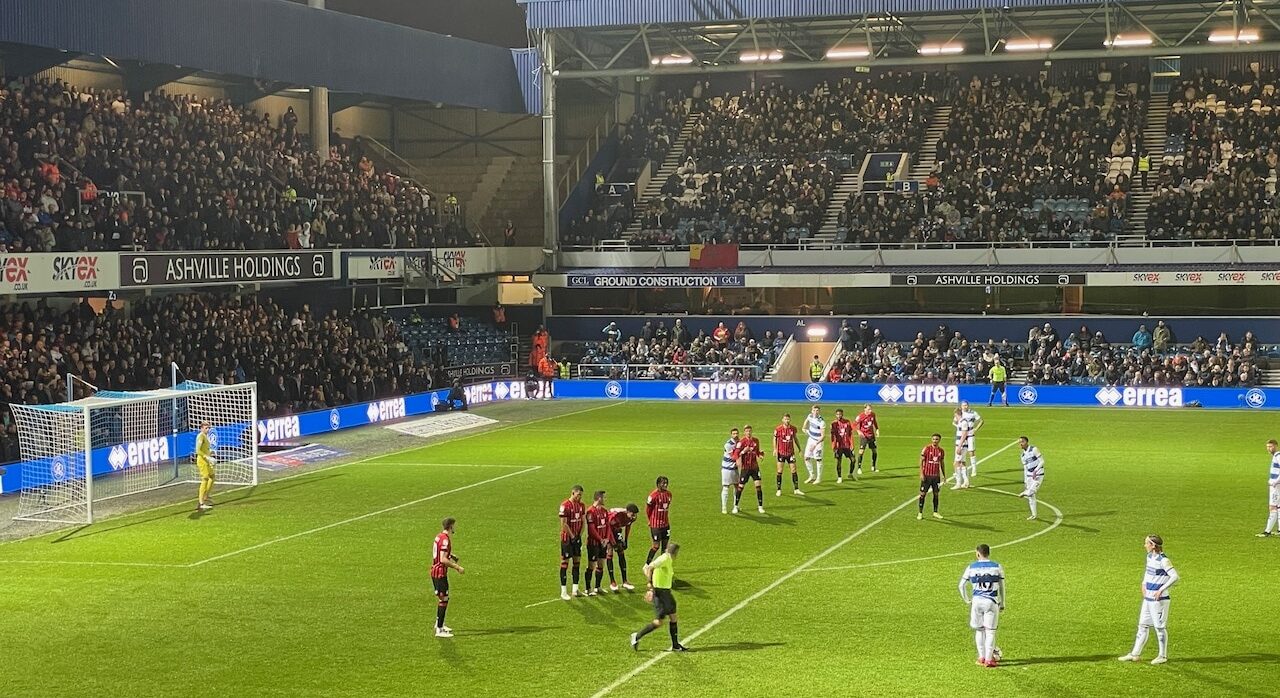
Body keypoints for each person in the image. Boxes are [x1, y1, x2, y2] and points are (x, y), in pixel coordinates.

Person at [1119, 535, 1180, 665]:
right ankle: (1135, 654)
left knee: (1159, 627)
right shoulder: (1149, 557)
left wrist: (1161, 590)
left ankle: (1162, 656)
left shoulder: (1163, 560)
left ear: (1153, 545)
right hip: (1148, 598)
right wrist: (1143, 583)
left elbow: (1175, 576)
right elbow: (1148, 572)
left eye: (1147, 543)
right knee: (1143, 625)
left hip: (1159, 600)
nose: (1144, 545)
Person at [630, 541, 686, 652]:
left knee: (673, 616)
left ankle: (675, 645)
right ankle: (636, 636)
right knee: (658, 622)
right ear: (675, 553)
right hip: (660, 593)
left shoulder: (668, 559)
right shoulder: (664, 559)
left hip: (666, 592)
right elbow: (649, 567)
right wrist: (650, 587)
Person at [959, 543, 1006, 667]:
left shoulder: (971, 567)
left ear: (978, 553)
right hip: (991, 602)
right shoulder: (997, 566)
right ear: (988, 553)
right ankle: (989, 660)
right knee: (990, 631)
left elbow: (961, 585)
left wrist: (967, 600)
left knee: (979, 630)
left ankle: (981, 657)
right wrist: (1002, 603)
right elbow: (1002, 586)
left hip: (977, 602)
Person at [431, 517, 464, 638]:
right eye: (454, 525)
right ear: (450, 526)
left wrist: (452, 555)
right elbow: (443, 559)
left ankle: (439, 623)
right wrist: (457, 567)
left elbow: (440, 552)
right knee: (443, 599)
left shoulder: (439, 536)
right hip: (439, 573)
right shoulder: (446, 540)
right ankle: (439, 630)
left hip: (436, 571)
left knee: (443, 598)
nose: (455, 528)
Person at [558, 485, 586, 600]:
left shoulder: (581, 505)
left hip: (577, 538)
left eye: (581, 495)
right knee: (565, 563)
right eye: (578, 495)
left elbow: (583, 522)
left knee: (577, 562)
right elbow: (563, 524)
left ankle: (575, 589)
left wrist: (579, 536)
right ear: (573, 493)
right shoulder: (565, 505)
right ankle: (563, 591)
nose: (580, 497)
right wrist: (572, 536)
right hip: (567, 539)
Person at [606, 503, 641, 592]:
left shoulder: (632, 518)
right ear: (627, 512)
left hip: (617, 529)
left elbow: (628, 526)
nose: (634, 516)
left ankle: (625, 581)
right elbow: (608, 528)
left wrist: (626, 540)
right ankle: (612, 582)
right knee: (610, 552)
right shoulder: (616, 516)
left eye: (635, 515)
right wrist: (613, 543)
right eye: (632, 514)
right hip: (607, 530)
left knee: (621, 551)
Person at [733, 425, 765, 514]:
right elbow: (736, 454)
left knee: (758, 486)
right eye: (747, 431)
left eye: (750, 431)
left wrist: (760, 455)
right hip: (745, 468)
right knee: (740, 487)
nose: (748, 433)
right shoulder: (741, 442)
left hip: (754, 467)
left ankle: (760, 507)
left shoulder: (756, 440)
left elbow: (757, 451)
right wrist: (744, 451)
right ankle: (735, 506)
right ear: (744, 432)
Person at [585, 491, 612, 596]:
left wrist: (607, 539)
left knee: (601, 565)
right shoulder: (590, 511)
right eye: (604, 497)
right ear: (599, 498)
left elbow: (608, 526)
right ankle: (588, 589)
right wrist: (601, 539)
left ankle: (597, 587)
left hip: (603, 543)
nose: (605, 499)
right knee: (591, 566)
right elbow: (591, 529)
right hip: (594, 543)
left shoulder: (604, 511)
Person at [773, 413, 804, 497]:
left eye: (788, 419)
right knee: (780, 471)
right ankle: (779, 489)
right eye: (785, 419)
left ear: (790, 420)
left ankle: (796, 489)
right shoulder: (778, 429)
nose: (787, 421)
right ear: (782, 420)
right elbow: (774, 438)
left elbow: (795, 438)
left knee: (794, 470)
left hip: (791, 453)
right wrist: (775, 449)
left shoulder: (793, 428)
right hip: (781, 453)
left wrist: (799, 449)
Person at [918, 433, 946, 520]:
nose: (935, 441)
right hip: (927, 476)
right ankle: (920, 513)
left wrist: (944, 475)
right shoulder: (926, 449)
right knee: (923, 494)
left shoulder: (941, 451)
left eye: (936, 439)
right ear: (931, 439)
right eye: (933, 439)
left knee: (936, 494)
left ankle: (935, 512)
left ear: (939, 440)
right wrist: (921, 473)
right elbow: (921, 461)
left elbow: (942, 463)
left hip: (936, 477)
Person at [645, 476, 673, 564]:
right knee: (656, 546)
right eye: (663, 483)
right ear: (658, 484)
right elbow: (648, 509)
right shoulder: (653, 496)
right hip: (656, 525)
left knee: (665, 547)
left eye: (666, 483)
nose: (665, 485)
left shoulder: (669, 494)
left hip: (666, 524)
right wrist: (650, 520)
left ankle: (661, 565)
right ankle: (647, 564)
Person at [1017, 436, 1045, 521]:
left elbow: (1042, 461)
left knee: (1031, 492)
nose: (1020, 444)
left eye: (1022, 442)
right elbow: (1025, 468)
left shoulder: (1034, 449)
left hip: (1038, 474)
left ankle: (1025, 492)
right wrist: (1025, 480)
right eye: (1019, 442)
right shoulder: (1023, 455)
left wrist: (1036, 470)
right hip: (1029, 476)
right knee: (1031, 497)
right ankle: (1034, 515)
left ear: (1026, 442)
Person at [1258, 439, 1280, 537]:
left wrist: (1275, 481)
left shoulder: (1278, 456)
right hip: (1277, 485)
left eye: (1270, 446)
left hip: (1276, 486)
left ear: (1276, 446)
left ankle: (1267, 532)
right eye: (1267, 447)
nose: (1268, 448)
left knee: (1272, 507)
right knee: (1278, 507)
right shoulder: (1276, 456)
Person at [956, 400, 983, 479]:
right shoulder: (960, 413)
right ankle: (959, 469)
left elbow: (981, 421)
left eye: (966, 405)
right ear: (961, 406)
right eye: (963, 405)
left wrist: (976, 429)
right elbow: (954, 422)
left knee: (971, 451)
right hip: (961, 435)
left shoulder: (973, 413)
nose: (965, 407)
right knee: (960, 451)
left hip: (970, 434)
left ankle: (974, 469)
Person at [853, 404, 880, 475]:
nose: (870, 411)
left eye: (871, 409)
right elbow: (854, 425)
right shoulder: (860, 416)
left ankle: (873, 466)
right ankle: (859, 468)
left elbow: (874, 422)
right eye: (868, 409)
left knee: (874, 451)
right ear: (865, 409)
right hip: (864, 436)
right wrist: (858, 431)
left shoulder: (873, 414)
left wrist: (877, 429)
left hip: (871, 436)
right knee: (861, 451)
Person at [830, 408, 855, 483]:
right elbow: (832, 436)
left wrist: (852, 444)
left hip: (847, 445)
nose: (839, 416)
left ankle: (850, 474)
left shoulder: (847, 422)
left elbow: (850, 434)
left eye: (840, 414)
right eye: (837, 414)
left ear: (842, 414)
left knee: (853, 460)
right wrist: (833, 446)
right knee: (839, 462)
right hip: (839, 446)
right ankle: (839, 477)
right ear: (835, 415)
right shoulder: (833, 424)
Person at [802, 404, 826, 485]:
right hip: (810, 440)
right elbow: (806, 421)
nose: (815, 412)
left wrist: (816, 444)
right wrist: (804, 428)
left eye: (817, 410)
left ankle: (818, 478)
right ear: (811, 411)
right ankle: (812, 475)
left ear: (819, 411)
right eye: (814, 410)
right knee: (806, 458)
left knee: (818, 459)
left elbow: (823, 436)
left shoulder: (821, 422)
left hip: (818, 442)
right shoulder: (810, 416)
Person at [720, 428, 740, 515]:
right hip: (727, 468)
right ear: (731, 435)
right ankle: (724, 507)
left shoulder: (739, 442)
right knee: (726, 487)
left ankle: (735, 505)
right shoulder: (728, 444)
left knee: (737, 487)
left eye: (737, 433)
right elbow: (733, 456)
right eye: (734, 434)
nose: (735, 435)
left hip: (734, 469)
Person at [195, 421, 215, 511]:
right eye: (206, 428)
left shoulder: (205, 436)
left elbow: (205, 449)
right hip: (202, 461)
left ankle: (206, 495)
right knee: (205, 479)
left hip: (206, 460)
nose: (208, 429)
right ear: (202, 428)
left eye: (208, 428)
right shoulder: (201, 436)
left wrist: (210, 454)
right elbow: (198, 450)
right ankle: (201, 503)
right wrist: (206, 457)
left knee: (212, 476)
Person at [950, 408, 972, 490]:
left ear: (956, 414)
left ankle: (958, 483)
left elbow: (964, 434)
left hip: (961, 445)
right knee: (962, 462)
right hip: (962, 444)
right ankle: (966, 482)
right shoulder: (961, 422)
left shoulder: (963, 422)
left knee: (956, 463)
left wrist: (959, 446)